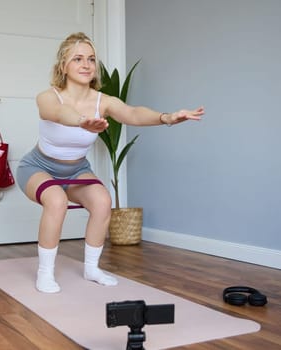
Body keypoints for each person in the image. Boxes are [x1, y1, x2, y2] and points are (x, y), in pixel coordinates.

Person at [17, 32, 204, 293]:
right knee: (56, 201)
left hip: (76, 169)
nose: (86, 65)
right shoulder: (48, 97)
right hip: (38, 167)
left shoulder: (102, 101)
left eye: (91, 59)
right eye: (78, 59)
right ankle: (45, 273)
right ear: (63, 66)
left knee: (103, 201)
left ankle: (92, 268)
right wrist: (81, 121)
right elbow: (58, 113)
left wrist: (167, 117)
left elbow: (132, 113)